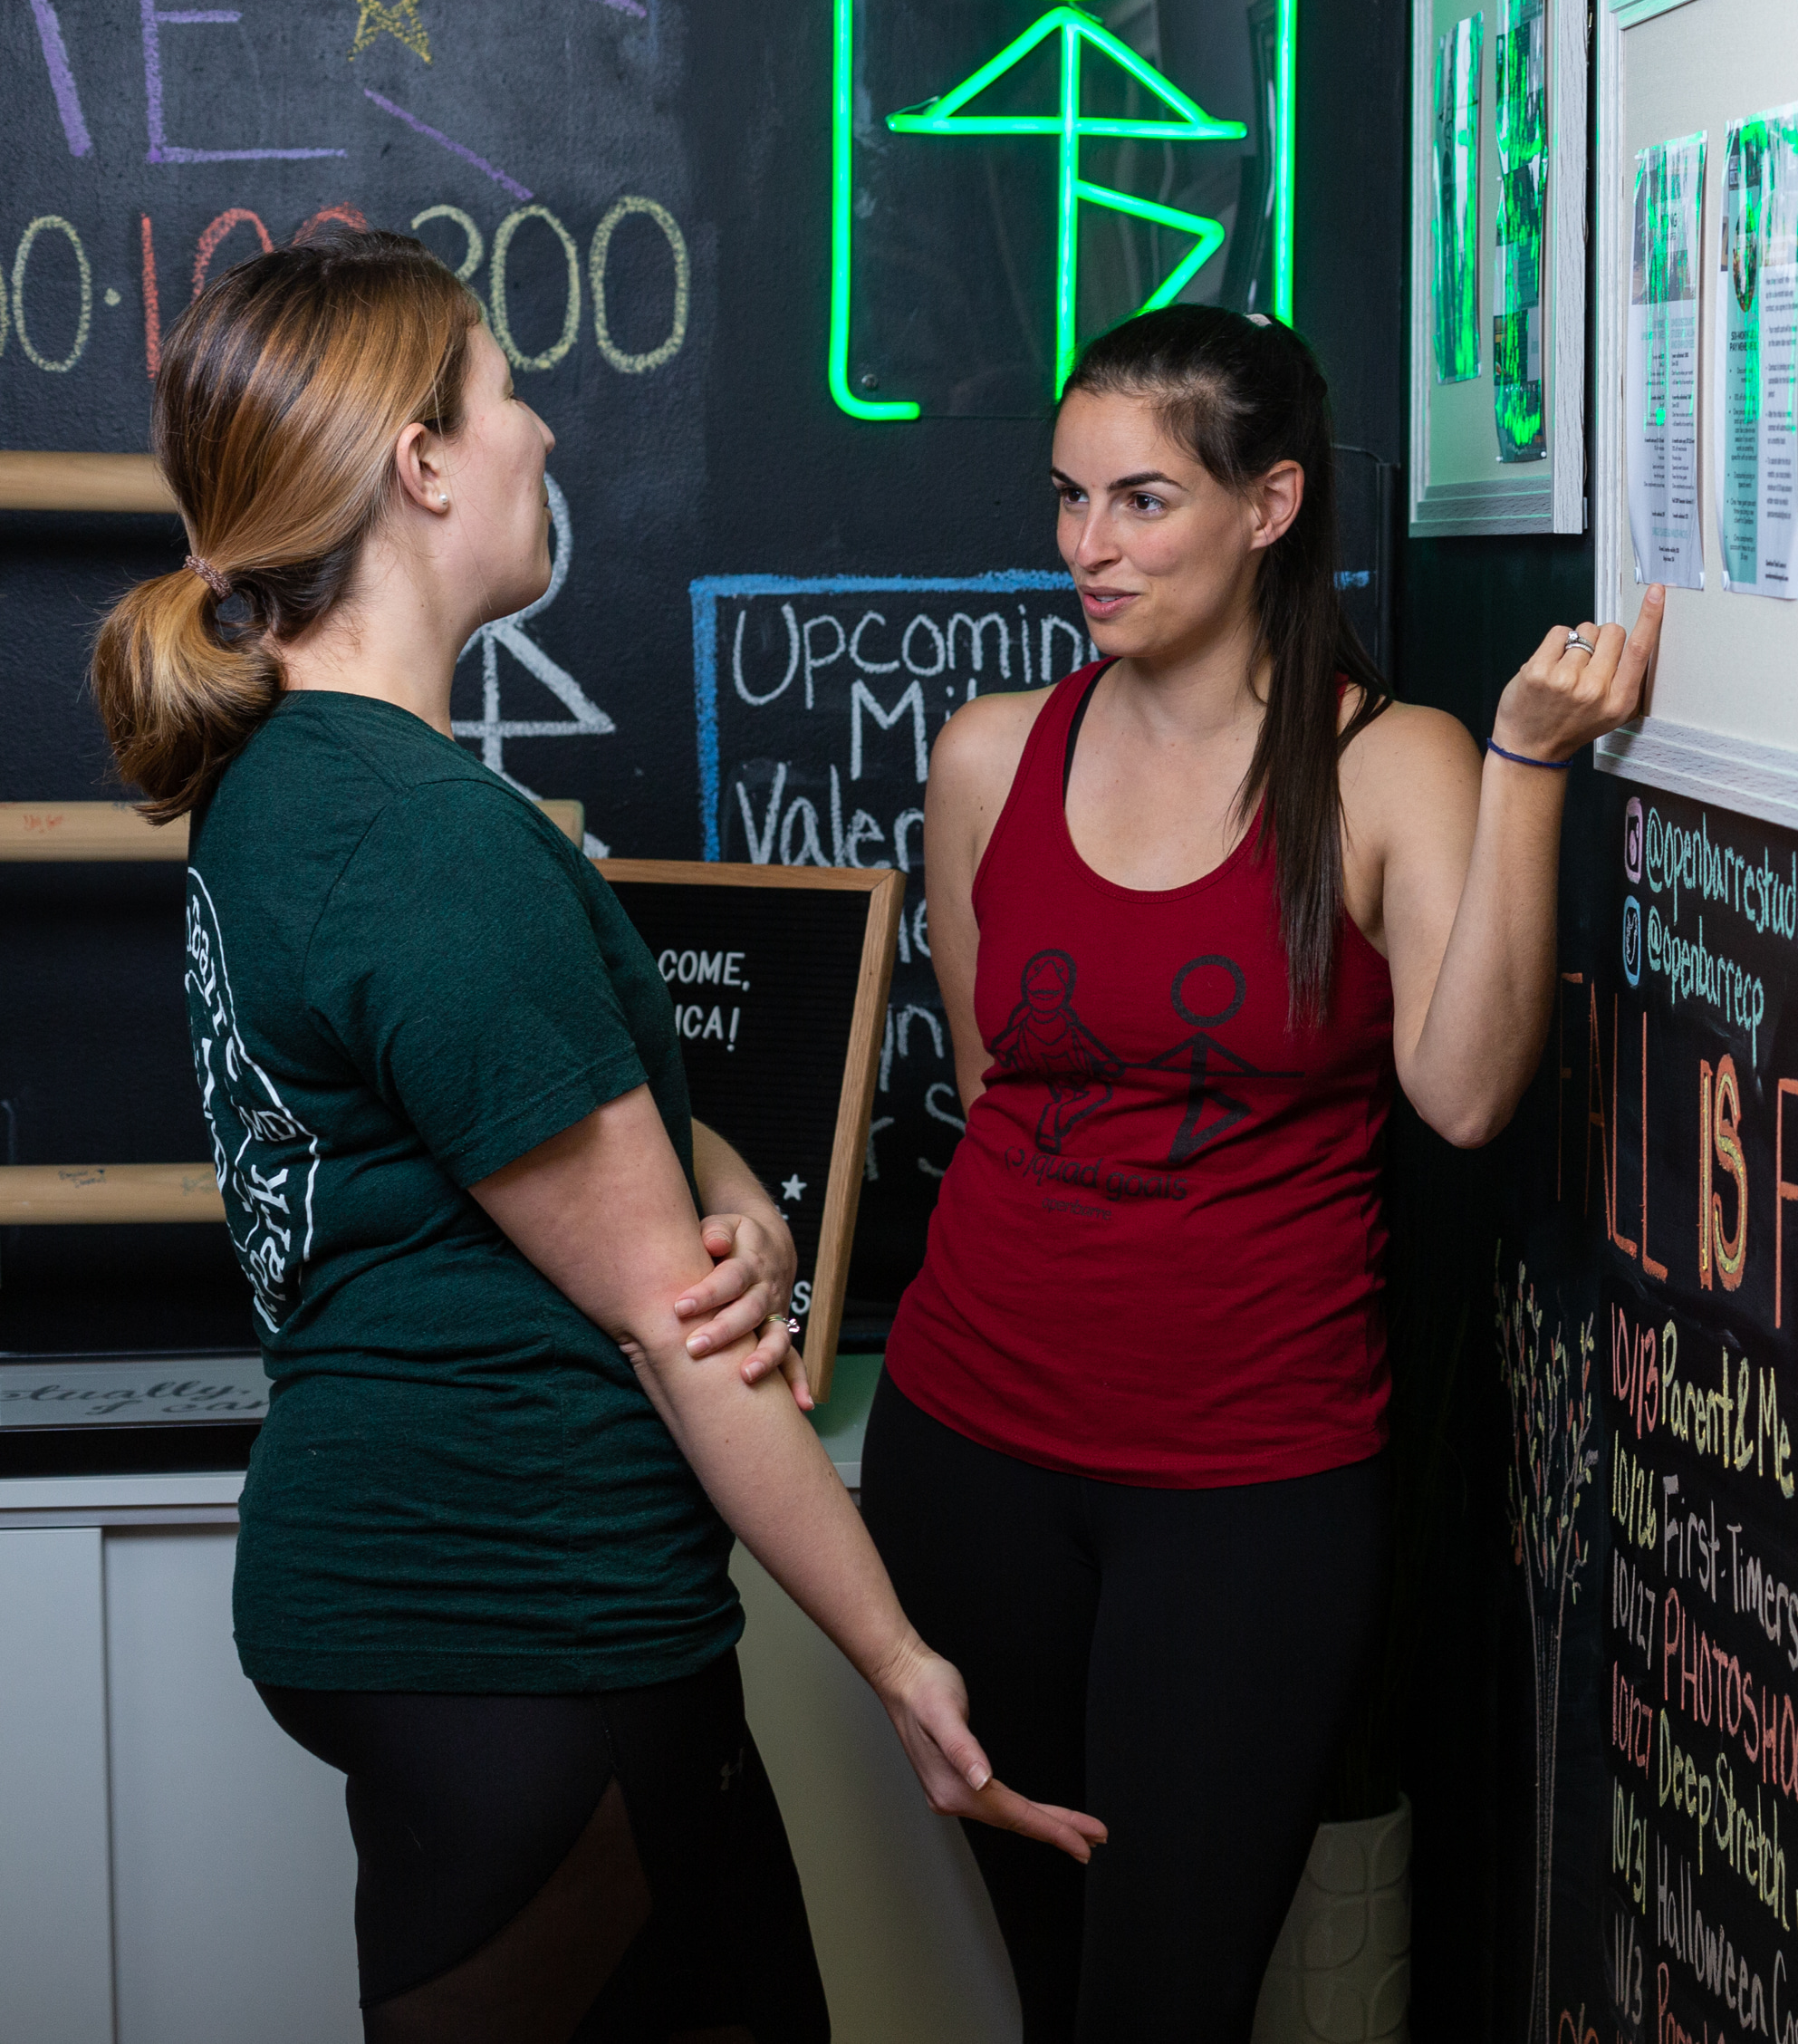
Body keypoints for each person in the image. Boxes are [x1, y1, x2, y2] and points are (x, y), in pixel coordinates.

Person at [88, 228, 1102, 2044]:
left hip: (424, 1608)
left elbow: (576, 1135)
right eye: (505, 391)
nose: (544, 429)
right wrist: (900, 1662)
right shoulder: (421, 839)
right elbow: (672, 1327)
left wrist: (733, 1199)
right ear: (420, 463)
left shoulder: (299, 786)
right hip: (521, 1621)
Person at [868, 304, 1661, 2041]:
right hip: (967, 1453)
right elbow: (997, 1086)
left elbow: (1466, 1093)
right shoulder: (991, 752)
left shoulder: (1393, 760)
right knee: (1059, 1985)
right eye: (1070, 496)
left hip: (1249, 1486)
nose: (1087, 544)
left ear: (1271, 502)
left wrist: (1530, 766)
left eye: (1143, 500)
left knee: (1166, 2003)